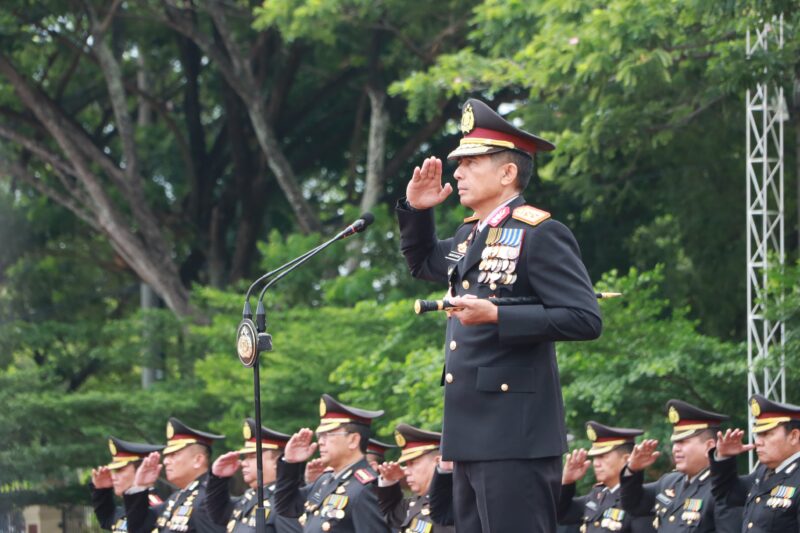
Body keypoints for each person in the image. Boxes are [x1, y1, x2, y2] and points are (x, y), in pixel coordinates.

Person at [396, 97, 602, 532]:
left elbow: (585, 318)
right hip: (469, 435)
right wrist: (417, 211)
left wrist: (498, 316)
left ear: (507, 172)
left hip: (516, 436)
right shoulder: (470, 233)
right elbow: (424, 264)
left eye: (471, 162)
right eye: (458, 164)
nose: (457, 172)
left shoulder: (540, 232)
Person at [272, 394, 390, 532]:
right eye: (320, 436)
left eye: (328, 435)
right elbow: (287, 506)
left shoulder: (367, 488)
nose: (321, 442)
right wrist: (290, 463)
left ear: (353, 440)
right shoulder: (325, 480)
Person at [620, 399, 741, 531]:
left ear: (709, 446)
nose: (675, 449)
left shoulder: (722, 489)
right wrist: (632, 470)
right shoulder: (669, 481)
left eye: (683, 442)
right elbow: (634, 505)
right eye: (675, 442)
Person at [710, 394, 800, 532]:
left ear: (794, 436)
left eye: (767, 434)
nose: (758, 441)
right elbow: (727, 495)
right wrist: (724, 457)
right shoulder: (764, 472)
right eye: (758, 434)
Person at [124, 417, 225, 533]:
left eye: (174, 454)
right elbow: (139, 529)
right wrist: (140, 486)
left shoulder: (207, 501)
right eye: (166, 456)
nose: (166, 461)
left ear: (198, 460)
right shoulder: (176, 498)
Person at [205, 418, 301, 532]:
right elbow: (219, 514)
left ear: (276, 461)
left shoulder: (284, 503)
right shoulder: (249, 498)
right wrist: (218, 479)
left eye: (252, 457)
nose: (244, 463)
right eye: (245, 457)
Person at [558, 421, 653, 532]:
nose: (596, 464)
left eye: (602, 456)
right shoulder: (597, 495)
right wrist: (567, 481)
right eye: (595, 458)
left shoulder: (638, 498)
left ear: (627, 459)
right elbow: (561, 515)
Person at [376, 423, 455, 532]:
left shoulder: (453, 503)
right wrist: (390, 481)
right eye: (406, 465)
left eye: (413, 463)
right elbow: (391, 516)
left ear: (438, 462)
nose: (406, 471)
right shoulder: (417, 502)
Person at [91, 436, 164, 531]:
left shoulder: (154, 508)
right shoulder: (128, 507)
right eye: (113, 471)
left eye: (119, 470)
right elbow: (107, 518)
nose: (113, 477)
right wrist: (102, 490)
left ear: (141, 471)